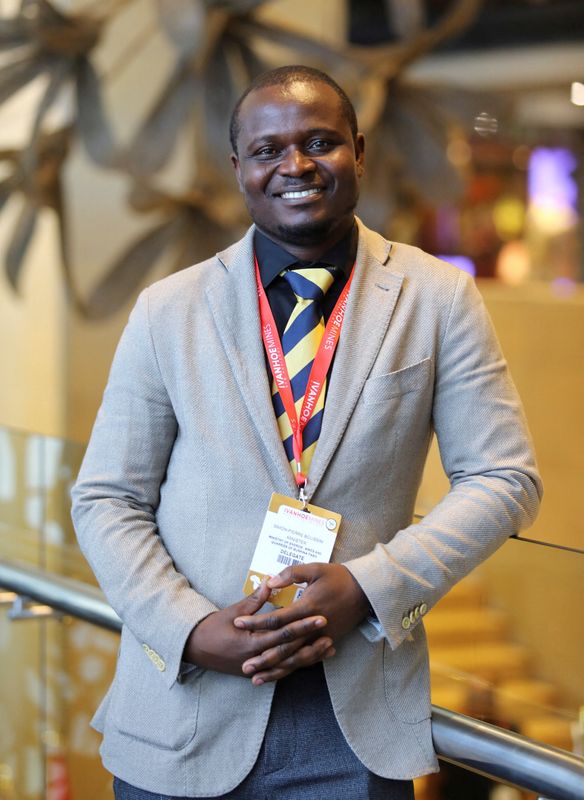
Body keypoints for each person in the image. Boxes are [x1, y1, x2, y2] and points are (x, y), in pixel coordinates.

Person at [71, 65, 542, 800]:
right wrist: (193, 631)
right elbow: (105, 498)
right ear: (239, 168)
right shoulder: (168, 309)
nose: (294, 165)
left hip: (353, 726)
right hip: (183, 714)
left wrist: (369, 586)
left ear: (356, 148)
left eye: (319, 142)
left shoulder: (438, 297)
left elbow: (505, 479)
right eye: (268, 150)